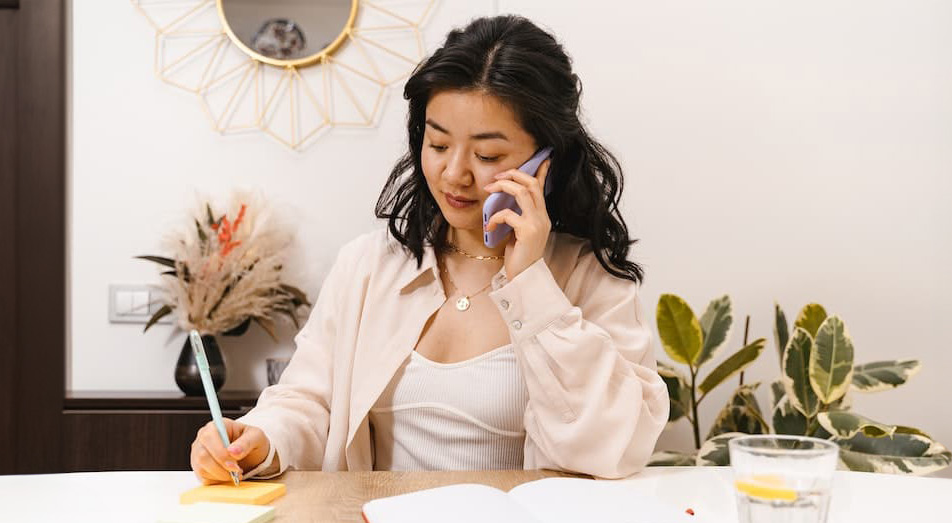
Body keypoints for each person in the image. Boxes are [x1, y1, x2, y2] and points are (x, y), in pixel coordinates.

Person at [189, 14, 668, 481]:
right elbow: (308, 401)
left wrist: (531, 286)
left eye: (487, 155)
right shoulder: (368, 266)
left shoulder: (588, 279)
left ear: (545, 160)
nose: (454, 174)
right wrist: (259, 440)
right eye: (438, 145)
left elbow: (615, 446)